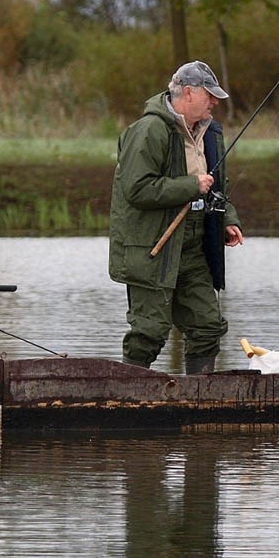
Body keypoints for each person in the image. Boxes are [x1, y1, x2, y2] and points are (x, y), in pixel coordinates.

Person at [109, 60, 244, 374]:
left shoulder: (212, 133)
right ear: (188, 93)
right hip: (152, 247)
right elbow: (137, 189)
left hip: (193, 247)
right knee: (149, 333)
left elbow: (218, 186)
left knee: (208, 327)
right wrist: (190, 186)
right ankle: (128, 398)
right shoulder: (148, 131)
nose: (215, 102)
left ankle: (198, 399)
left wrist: (228, 221)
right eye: (209, 95)